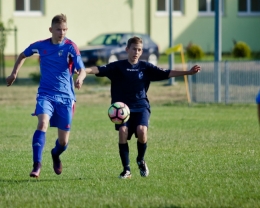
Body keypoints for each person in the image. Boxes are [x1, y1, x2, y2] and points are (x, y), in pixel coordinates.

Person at [85, 36, 201, 179]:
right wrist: (84, 71)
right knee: (122, 131)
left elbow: (166, 72)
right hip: (123, 110)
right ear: (127, 49)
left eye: (139, 50)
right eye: (134, 49)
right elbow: (99, 69)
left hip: (141, 107)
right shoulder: (118, 67)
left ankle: (140, 159)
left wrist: (188, 72)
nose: (136, 52)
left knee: (142, 131)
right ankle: (126, 170)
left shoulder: (145, 67)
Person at [6, 14, 86, 178]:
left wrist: (80, 78)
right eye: (58, 29)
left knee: (63, 142)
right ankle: (37, 165)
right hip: (46, 95)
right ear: (51, 30)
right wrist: (14, 73)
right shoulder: (41, 46)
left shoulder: (71, 47)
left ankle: (55, 154)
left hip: (66, 98)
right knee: (42, 123)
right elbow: (23, 54)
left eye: (64, 30)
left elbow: (82, 68)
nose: (61, 33)